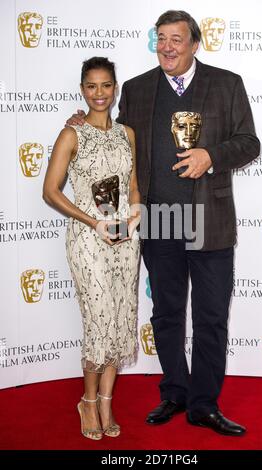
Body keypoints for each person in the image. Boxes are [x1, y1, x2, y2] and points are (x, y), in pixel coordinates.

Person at [66, 10, 260, 436]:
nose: (167, 47)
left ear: (194, 43)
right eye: (161, 39)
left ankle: (204, 404)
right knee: (167, 314)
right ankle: (174, 392)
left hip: (208, 220)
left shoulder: (227, 84)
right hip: (158, 219)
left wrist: (212, 157)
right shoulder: (136, 89)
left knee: (210, 317)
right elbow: (112, 132)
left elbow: (249, 142)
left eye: (177, 39)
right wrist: (79, 123)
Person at [43, 57, 141, 440]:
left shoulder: (126, 134)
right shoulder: (72, 134)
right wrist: (93, 222)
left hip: (124, 236)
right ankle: (86, 401)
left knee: (119, 319)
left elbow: (133, 184)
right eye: (91, 86)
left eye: (106, 85)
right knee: (98, 320)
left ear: (115, 88)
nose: (99, 93)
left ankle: (105, 401)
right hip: (89, 237)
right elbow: (50, 192)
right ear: (82, 89)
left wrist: (133, 212)